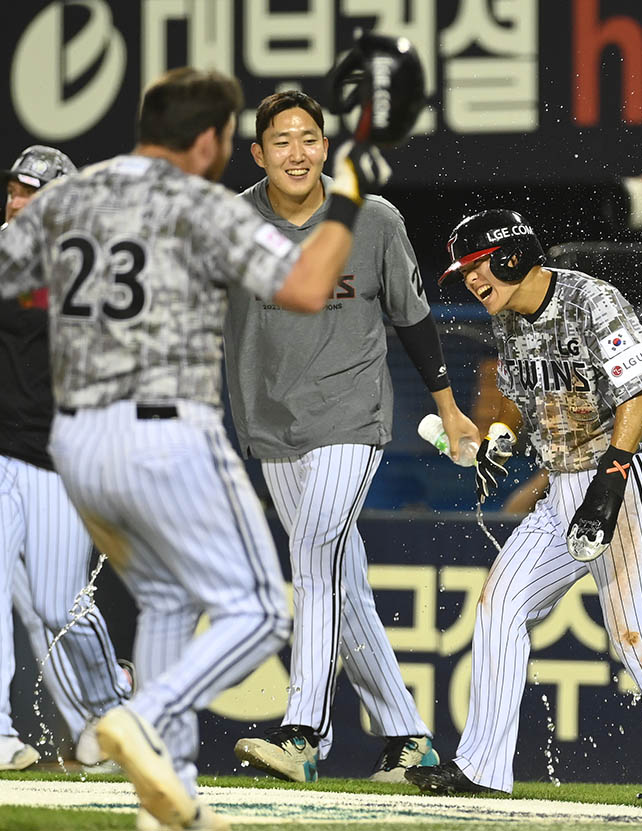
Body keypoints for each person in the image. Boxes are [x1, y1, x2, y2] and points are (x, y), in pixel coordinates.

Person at [0, 54, 411, 829]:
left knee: (166, 604)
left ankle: (164, 797)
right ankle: (143, 712)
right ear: (209, 141)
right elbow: (308, 287)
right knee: (257, 612)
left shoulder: (79, 197)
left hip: (75, 444)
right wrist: (345, 198)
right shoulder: (206, 209)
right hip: (165, 437)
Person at [405, 209, 642, 802]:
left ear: (509, 255)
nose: (472, 282)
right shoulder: (508, 320)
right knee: (501, 603)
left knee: (636, 633)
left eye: (478, 266)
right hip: (562, 485)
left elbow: (638, 387)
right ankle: (482, 770)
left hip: (624, 476)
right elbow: (524, 401)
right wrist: (500, 436)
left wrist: (610, 481)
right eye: (465, 272)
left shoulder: (588, 299)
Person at [227, 90, 473, 783]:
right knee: (343, 584)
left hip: (351, 418)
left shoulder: (372, 217)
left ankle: (304, 733)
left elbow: (414, 317)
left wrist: (449, 407)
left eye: (309, 138)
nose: (297, 152)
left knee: (311, 552)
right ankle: (409, 739)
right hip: (272, 426)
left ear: (326, 146)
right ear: (259, 153)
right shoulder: (232, 224)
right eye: (282, 141)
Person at [0, 145, 133, 771]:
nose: (17, 203)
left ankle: (110, 700)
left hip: (55, 465)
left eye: (33, 193)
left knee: (58, 603)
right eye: (15, 191)